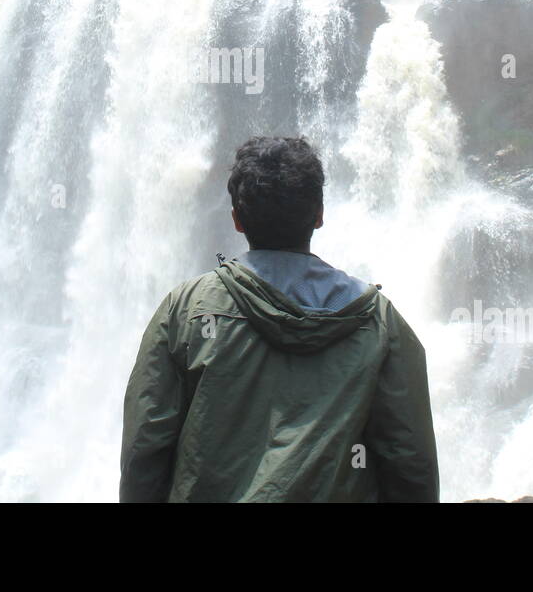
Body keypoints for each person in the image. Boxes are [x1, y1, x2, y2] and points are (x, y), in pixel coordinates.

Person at [119, 135, 440, 502]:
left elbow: (145, 447)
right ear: (319, 215)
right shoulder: (378, 321)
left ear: (237, 220)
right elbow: (410, 460)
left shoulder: (186, 310)